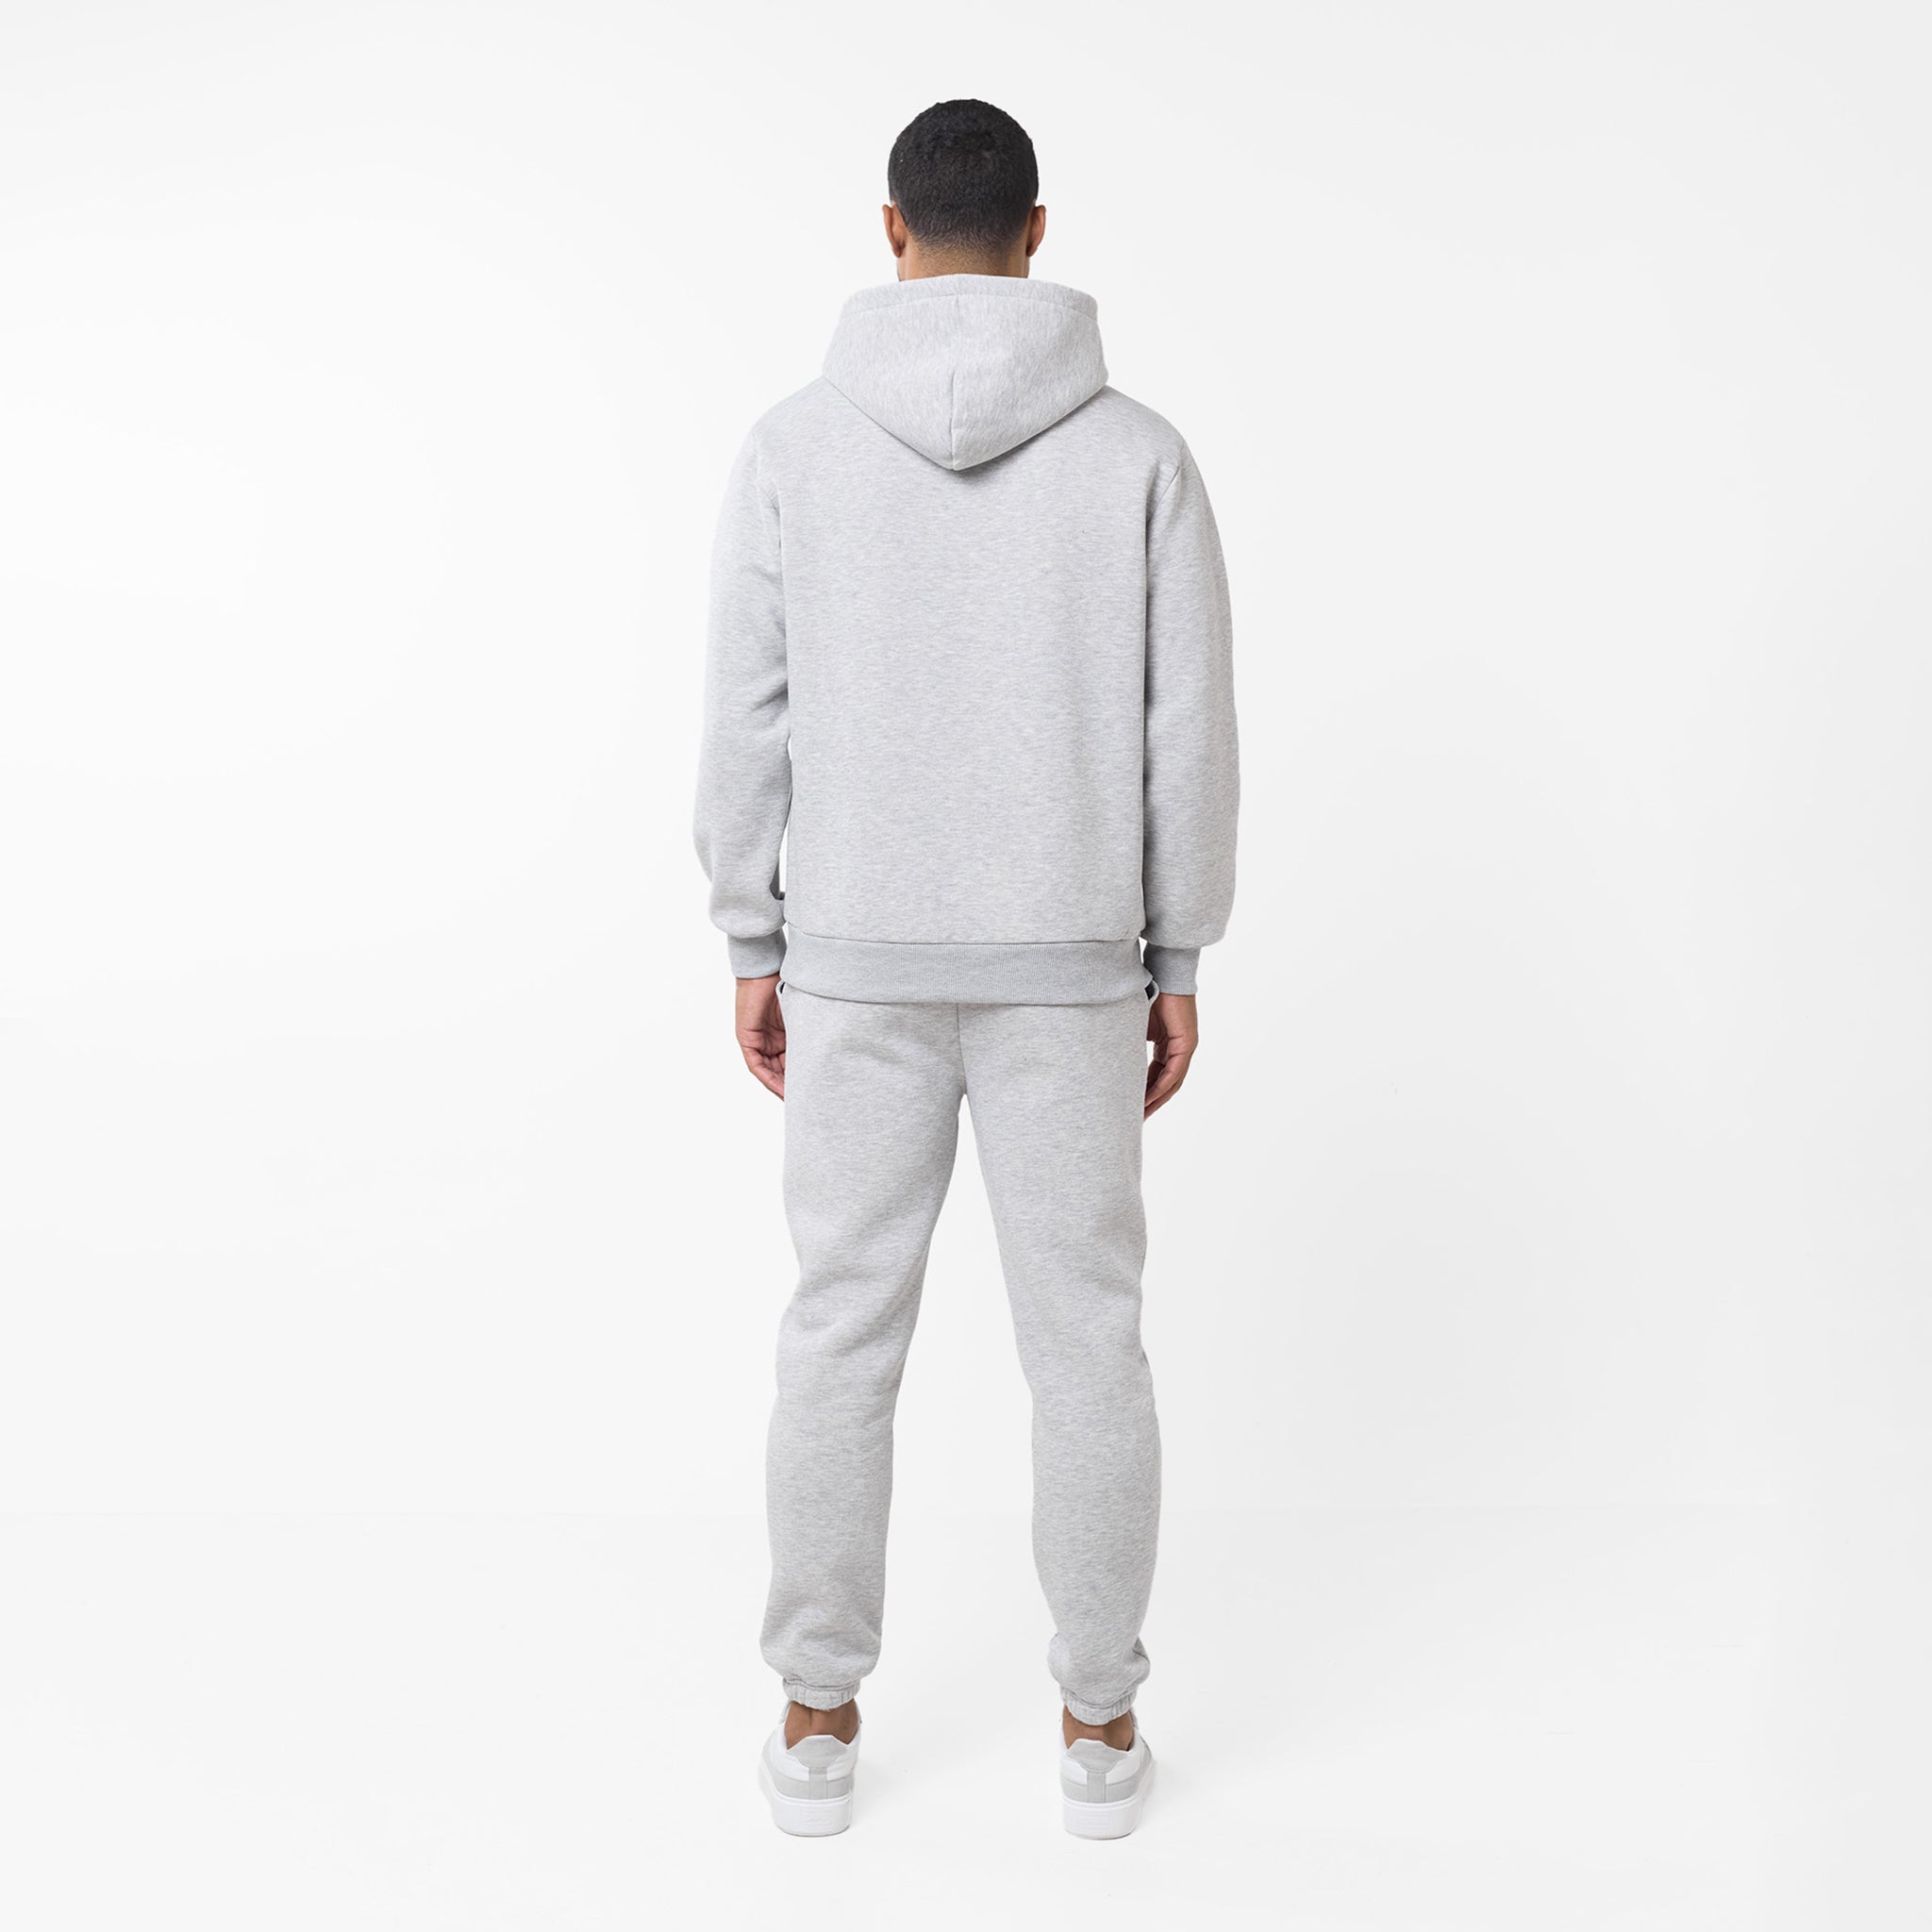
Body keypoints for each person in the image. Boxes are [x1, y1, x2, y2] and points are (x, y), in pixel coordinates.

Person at [694, 97, 1238, 1840]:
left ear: (889, 230)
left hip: (853, 964)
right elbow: (1185, 728)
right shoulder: (1140, 453)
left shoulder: (793, 447)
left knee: (838, 1330)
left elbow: (748, 715)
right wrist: (1177, 948)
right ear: (1038, 231)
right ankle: (1100, 1728)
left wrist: (754, 933)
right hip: (1071, 969)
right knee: (1088, 1343)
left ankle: (815, 1718)